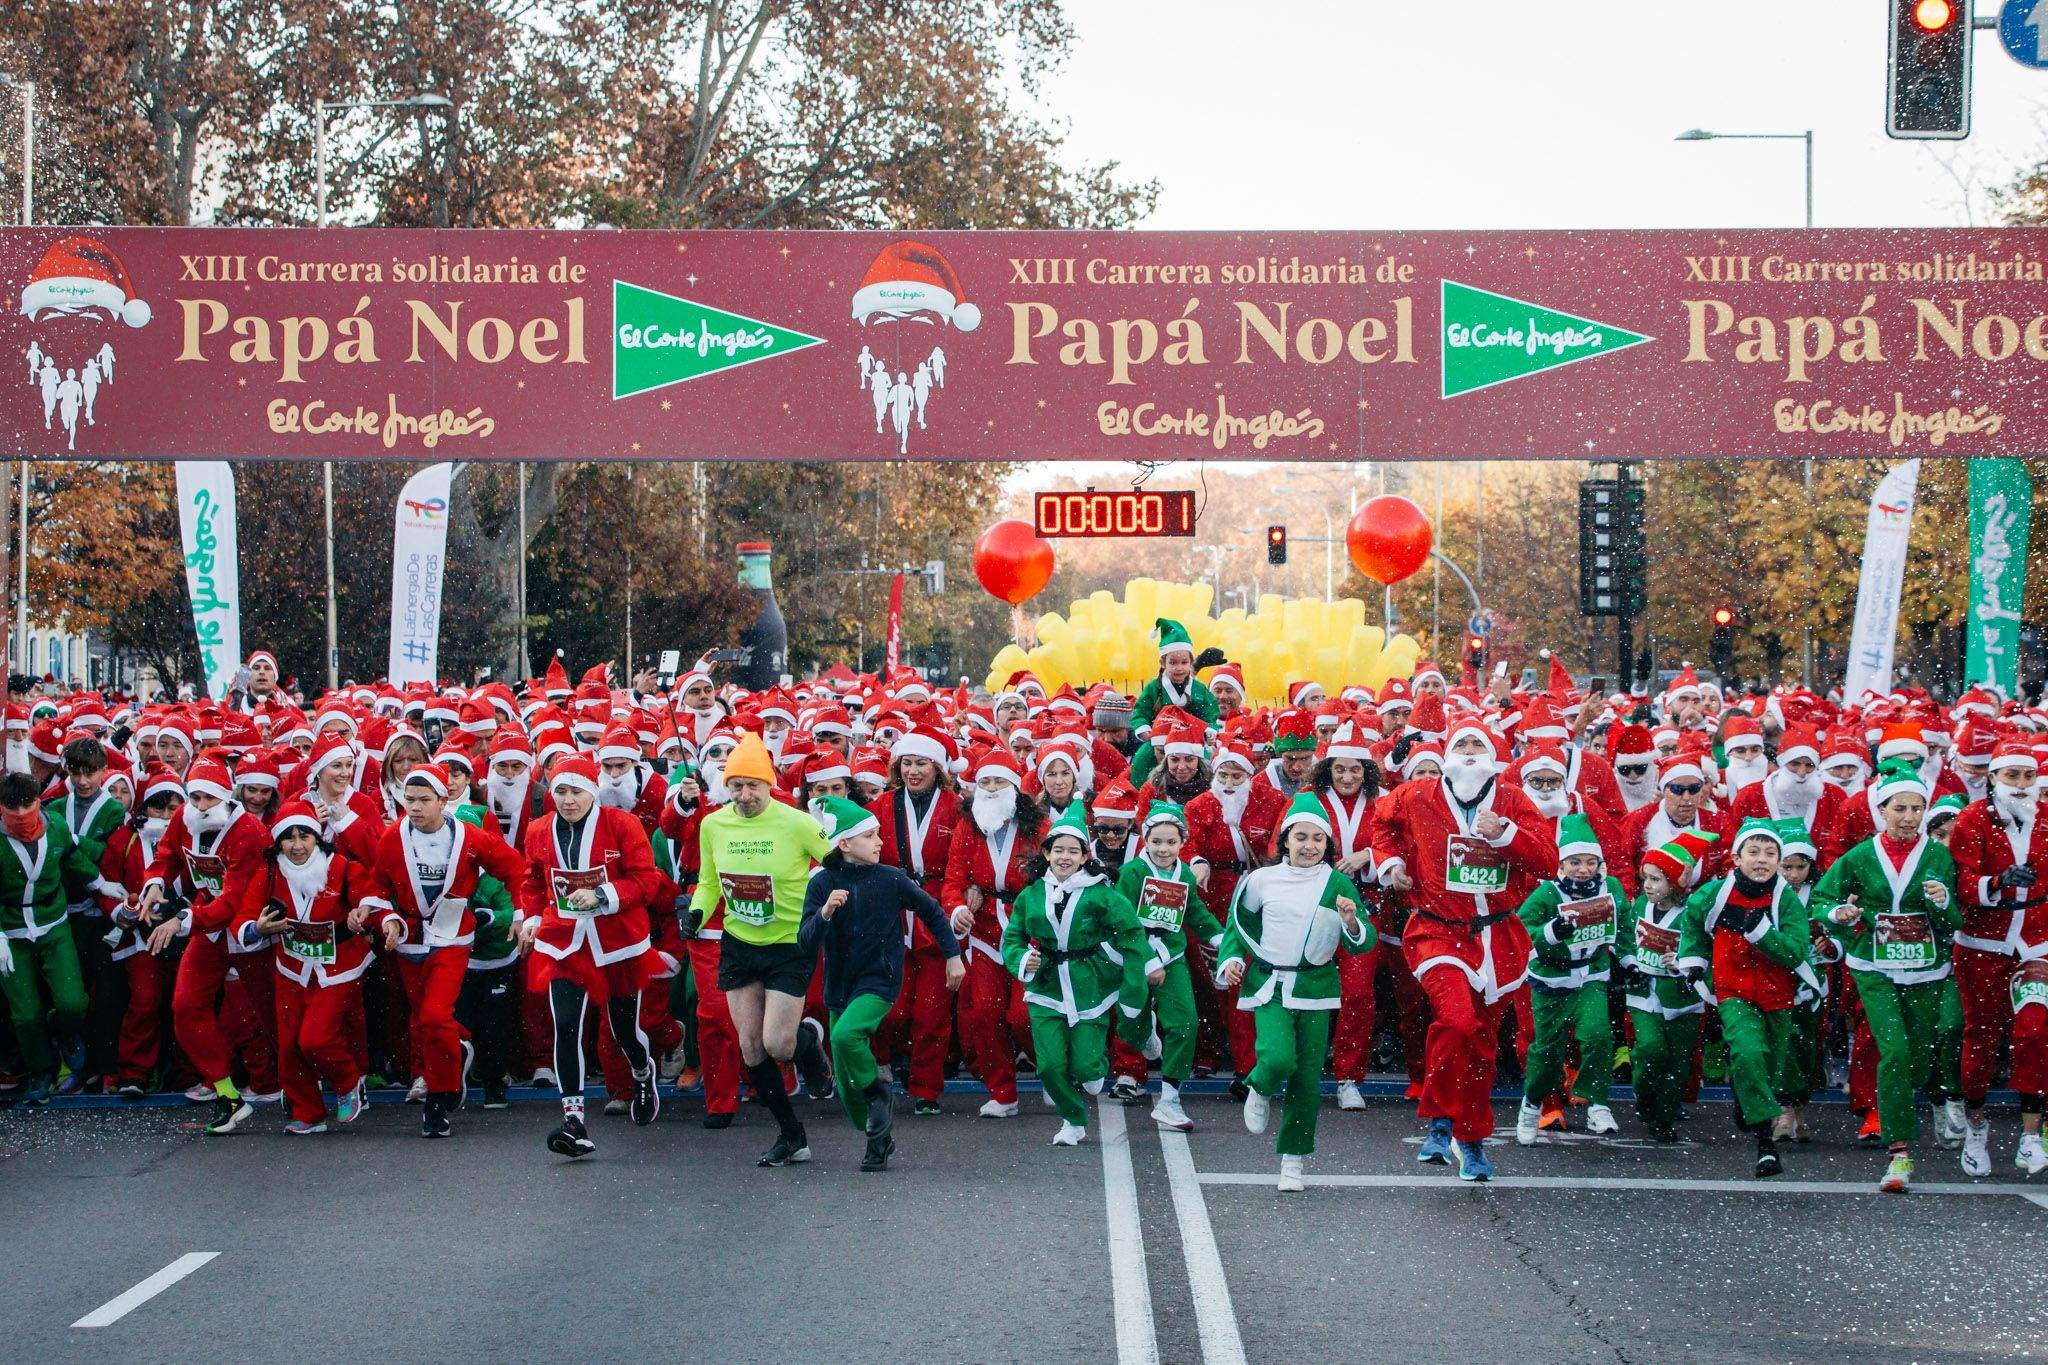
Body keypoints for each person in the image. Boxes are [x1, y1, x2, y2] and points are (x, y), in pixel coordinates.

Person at [1374, 720, 1556, 1181]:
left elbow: (1548, 861)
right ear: (1449, 754)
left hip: (1498, 937)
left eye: (1479, 743)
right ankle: (1439, 1119)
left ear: (1492, 754)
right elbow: (1381, 820)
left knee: (1482, 1043)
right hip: (1437, 930)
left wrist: (1506, 834)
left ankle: (1470, 1139)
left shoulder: (1513, 799)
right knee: (1456, 1021)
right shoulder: (1419, 794)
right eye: (1463, 743)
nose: (1471, 751)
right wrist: (1391, 864)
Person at [357, 763, 533, 1139]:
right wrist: (385, 918)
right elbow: (377, 887)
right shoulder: (392, 837)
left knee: (435, 1015)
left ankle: (438, 1101)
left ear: (443, 800)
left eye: (424, 800)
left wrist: (520, 912)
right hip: (409, 940)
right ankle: (455, 1055)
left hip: (453, 938)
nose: (415, 807)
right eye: (409, 800)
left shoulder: (469, 836)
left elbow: (514, 868)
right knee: (426, 1022)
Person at [1811, 765, 1962, 1194]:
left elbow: (1954, 922)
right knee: (1893, 1052)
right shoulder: (1860, 856)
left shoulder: (1938, 856)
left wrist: (1942, 903)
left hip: (1925, 968)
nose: (1909, 817)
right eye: (1900, 808)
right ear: (1882, 810)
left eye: (1917, 809)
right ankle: (1899, 1154)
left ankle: (1938, 1094)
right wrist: (1839, 913)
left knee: (1924, 1050)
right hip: (1874, 968)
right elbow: (1822, 899)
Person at [687, 733, 834, 1167]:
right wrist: (696, 914)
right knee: (751, 1048)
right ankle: (791, 1134)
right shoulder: (714, 825)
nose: (745, 795)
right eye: (736, 786)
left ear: (768, 784)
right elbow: (709, 883)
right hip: (740, 943)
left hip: (790, 944)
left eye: (753, 785)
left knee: (779, 1045)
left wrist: (828, 906)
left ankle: (809, 1043)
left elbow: (835, 864)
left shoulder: (797, 822)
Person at [1216, 792, 1376, 1191]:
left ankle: (1293, 1159)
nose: (1309, 846)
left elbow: (1363, 942)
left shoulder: (1337, 883)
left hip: (1315, 989)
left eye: (1318, 839)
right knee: (1277, 1057)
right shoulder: (1261, 880)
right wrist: (1231, 959)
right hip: (1269, 984)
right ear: (1285, 839)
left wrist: (1351, 921)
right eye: (1301, 837)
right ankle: (1260, 1085)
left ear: (1328, 843)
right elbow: (1238, 926)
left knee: (1306, 1079)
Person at [798, 796, 964, 1170]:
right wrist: (825, 913)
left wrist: (953, 955)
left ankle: (879, 1092)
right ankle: (878, 1139)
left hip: (880, 978)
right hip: (839, 985)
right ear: (844, 843)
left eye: (878, 834)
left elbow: (932, 912)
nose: (879, 842)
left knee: (845, 1036)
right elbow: (805, 941)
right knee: (845, 1084)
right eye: (870, 836)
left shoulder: (891, 878)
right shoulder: (822, 883)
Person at [519, 754, 666, 1157]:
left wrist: (604, 894)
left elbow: (646, 880)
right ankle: (574, 1121)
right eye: (561, 791)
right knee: (566, 1024)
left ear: (593, 792)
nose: (568, 800)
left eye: (577, 792)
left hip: (617, 942)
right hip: (564, 941)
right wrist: (531, 918)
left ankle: (642, 1071)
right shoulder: (538, 830)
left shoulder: (622, 824)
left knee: (623, 1030)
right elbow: (532, 882)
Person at [1676, 818, 1819, 1179]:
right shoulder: (1715, 894)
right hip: (1733, 992)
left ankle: (1746, 1099)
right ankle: (1765, 1146)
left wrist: (1760, 931)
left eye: (1770, 853)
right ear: (1736, 858)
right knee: (1748, 1051)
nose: (1761, 860)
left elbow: (1795, 951)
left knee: (1768, 1068)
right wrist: (1693, 962)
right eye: (1753, 852)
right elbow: (1692, 922)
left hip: (1779, 996)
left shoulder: (1786, 900)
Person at [1001, 804, 1152, 1147]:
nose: (1065, 857)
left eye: (1073, 851)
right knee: (1049, 1066)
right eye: (1058, 850)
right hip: (1046, 984)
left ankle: (1096, 1067)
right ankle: (1072, 1119)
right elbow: (1013, 937)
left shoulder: (1101, 893)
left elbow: (1130, 932)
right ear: (1046, 853)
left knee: (1086, 1067)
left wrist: (1128, 970)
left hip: (1089, 982)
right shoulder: (1031, 895)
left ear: (1085, 856)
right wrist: (1022, 958)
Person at [138, 756, 274, 1134]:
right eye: (195, 797)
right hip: (208, 928)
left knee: (268, 1016)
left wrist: (182, 921)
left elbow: (233, 901)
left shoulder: (249, 832)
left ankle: (299, 1088)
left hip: (247, 931)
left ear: (226, 796)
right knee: (185, 1006)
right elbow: (167, 855)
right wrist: (155, 885)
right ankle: (227, 1093)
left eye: (208, 798)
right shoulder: (185, 817)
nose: (200, 806)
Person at [233, 799, 373, 1135]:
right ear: (278, 842)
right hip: (291, 967)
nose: (297, 846)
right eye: (288, 838)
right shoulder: (268, 872)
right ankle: (308, 1112)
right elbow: (244, 918)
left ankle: (347, 1082)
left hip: (338, 966)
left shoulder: (341, 867)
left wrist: (362, 913)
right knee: (288, 1045)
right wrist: (257, 929)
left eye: (304, 836)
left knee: (315, 1038)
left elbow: (370, 897)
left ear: (317, 838)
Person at [1945, 736, 2048, 1177]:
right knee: (1981, 1038)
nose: (2021, 783)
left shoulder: (2045, 819)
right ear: (1993, 777)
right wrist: (1999, 881)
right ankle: (1976, 1125)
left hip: (2036, 942)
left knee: (2034, 1029)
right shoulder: (1972, 819)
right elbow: (1962, 882)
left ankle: (2030, 1134)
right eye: (2012, 775)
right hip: (1983, 945)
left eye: (2028, 775)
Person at [941, 749, 1043, 1119]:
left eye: (1000, 780)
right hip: (983, 932)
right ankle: (1003, 1092)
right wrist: (957, 908)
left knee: (1024, 1015)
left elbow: (1052, 877)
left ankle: (1051, 1070)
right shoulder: (968, 826)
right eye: (985, 781)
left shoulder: (1037, 826)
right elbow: (953, 878)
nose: (992, 787)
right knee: (984, 1013)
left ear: (1014, 786)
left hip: (1027, 932)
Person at [1113, 800, 1225, 1131]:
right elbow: (1122, 921)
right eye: (1157, 841)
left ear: (1182, 842)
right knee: (1129, 1023)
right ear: (1146, 840)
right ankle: (1144, 1032)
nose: (1163, 849)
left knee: (1186, 1023)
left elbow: (1195, 912)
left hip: (1171, 955)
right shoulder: (1132, 873)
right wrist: (1146, 959)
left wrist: (1220, 939)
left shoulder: (1184, 874)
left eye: (1171, 842)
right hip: (1135, 953)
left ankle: (1170, 1098)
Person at [1514, 813, 1624, 1143]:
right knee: (1548, 1052)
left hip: (1591, 975)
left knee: (1598, 1035)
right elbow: (1521, 929)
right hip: (1552, 980)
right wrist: (1550, 932)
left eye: (1590, 862)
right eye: (1575, 862)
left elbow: (1627, 922)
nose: (1583, 870)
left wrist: (1629, 960)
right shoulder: (1548, 893)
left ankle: (1596, 1101)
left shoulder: (1610, 888)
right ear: (1561, 865)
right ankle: (1532, 1102)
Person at [867, 728, 959, 1116]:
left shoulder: (956, 807)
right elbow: (854, 845)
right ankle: (888, 1062)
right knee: (893, 1006)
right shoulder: (882, 806)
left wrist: (966, 891)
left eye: (922, 763)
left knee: (932, 1011)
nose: (913, 771)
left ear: (937, 768)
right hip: (892, 910)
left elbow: (966, 858)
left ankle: (926, 1088)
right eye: (907, 763)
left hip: (936, 908)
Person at [0, 770, 99, 1104]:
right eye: (11, 808)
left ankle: (66, 1033)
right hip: (11, 932)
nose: (20, 814)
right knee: (25, 1014)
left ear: (38, 802)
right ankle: (40, 1071)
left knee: (73, 1002)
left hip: (52, 923)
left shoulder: (54, 825)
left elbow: (72, 856)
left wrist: (100, 883)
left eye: (26, 805)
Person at [1621, 830, 1717, 1142]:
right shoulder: (1640, 905)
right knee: (1651, 1049)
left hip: (1683, 997)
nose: (1647, 885)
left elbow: (1706, 949)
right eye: (1645, 878)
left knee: (1678, 1061)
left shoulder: (1692, 913)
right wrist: (1629, 962)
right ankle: (1645, 1095)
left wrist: (1683, 963)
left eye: (1656, 879)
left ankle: (1663, 1118)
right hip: (1644, 992)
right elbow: (1625, 938)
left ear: (1674, 883)